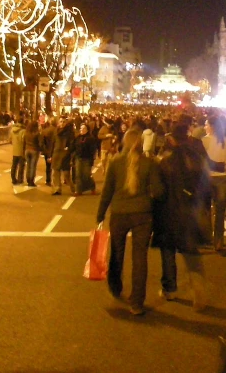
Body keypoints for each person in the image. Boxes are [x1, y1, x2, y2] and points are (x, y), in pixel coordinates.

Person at [96, 128, 164, 316]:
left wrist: (100, 214)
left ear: (125, 142)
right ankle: (137, 302)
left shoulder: (116, 162)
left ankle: (115, 286)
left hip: (120, 212)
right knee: (140, 258)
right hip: (143, 214)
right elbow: (158, 192)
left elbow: (107, 191)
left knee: (117, 252)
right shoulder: (150, 163)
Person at [153, 124, 211, 310]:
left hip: (169, 212)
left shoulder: (165, 162)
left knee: (168, 251)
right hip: (189, 212)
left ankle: (170, 289)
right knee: (191, 254)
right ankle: (199, 293)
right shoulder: (195, 159)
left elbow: (159, 190)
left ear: (172, 140)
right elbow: (205, 185)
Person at [202, 115, 226, 252]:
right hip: (222, 179)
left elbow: (203, 161)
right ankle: (219, 241)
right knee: (220, 212)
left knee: (206, 210)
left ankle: (207, 237)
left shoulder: (205, 141)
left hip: (208, 177)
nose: (205, 127)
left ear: (212, 126)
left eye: (206, 124)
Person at [51, 118, 75, 195]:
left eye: (64, 122)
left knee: (66, 174)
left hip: (65, 154)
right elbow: (52, 143)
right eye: (60, 121)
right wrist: (50, 154)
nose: (62, 123)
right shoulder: (55, 131)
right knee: (56, 172)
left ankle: (72, 188)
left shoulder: (69, 132)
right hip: (56, 153)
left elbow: (72, 143)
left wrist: (69, 149)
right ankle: (57, 189)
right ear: (58, 123)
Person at [73, 123, 98, 195]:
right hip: (78, 158)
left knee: (86, 175)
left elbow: (93, 150)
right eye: (81, 128)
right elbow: (73, 147)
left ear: (87, 130)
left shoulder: (91, 138)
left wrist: (92, 159)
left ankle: (92, 187)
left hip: (87, 159)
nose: (82, 130)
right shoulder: (77, 138)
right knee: (78, 174)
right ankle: (78, 190)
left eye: (84, 129)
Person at [23, 121, 42, 187]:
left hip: (27, 150)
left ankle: (28, 179)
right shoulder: (37, 133)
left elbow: (24, 141)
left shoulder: (26, 132)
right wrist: (40, 149)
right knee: (33, 166)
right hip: (34, 150)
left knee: (28, 165)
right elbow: (40, 143)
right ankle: (31, 181)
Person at [9, 118, 26, 185]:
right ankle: (20, 179)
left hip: (15, 150)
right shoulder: (23, 131)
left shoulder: (12, 130)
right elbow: (23, 140)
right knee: (21, 166)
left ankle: (13, 178)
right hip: (21, 151)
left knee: (14, 165)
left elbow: (10, 140)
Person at [41, 119, 57, 187]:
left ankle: (48, 180)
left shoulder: (44, 131)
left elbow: (42, 143)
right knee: (56, 167)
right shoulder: (57, 131)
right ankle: (56, 181)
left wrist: (45, 150)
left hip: (47, 151)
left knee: (48, 167)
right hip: (55, 151)